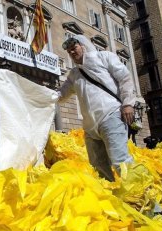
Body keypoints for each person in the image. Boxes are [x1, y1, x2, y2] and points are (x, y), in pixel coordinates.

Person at [58, 35, 136, 181]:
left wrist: (127, 103)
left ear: (83, 46)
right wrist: (39, 94)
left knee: (121, 162)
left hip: (111, 116)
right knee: (98, 167)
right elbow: (61, 94)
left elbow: (125, 78)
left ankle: (147, 202)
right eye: (69, 51)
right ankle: (111, 199)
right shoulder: (74, 74)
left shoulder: (104, 57)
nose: (72, 53)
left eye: (74, 48)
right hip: (90, 128)